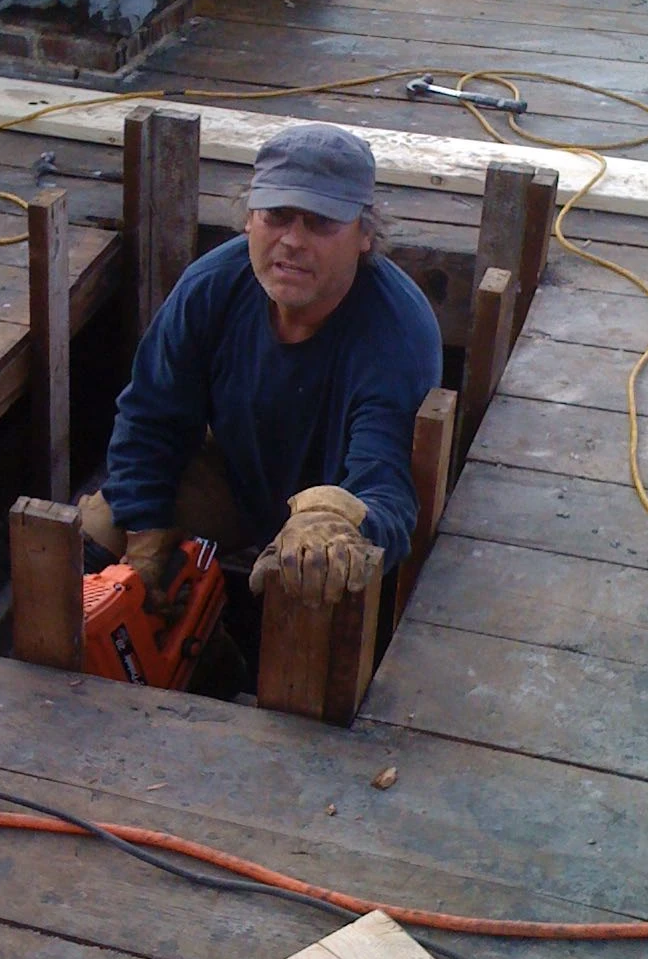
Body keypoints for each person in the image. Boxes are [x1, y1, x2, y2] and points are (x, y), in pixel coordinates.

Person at [80, 121, 443, 610]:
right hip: (235, 474)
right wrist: (146, 540)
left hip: (333, 507)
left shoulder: (398, 335)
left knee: (322, 573)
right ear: (249, 218)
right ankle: (206, 658)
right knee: (102, 530)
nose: (293, 240)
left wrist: (337, 523)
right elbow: (151, 417)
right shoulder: (210, 285)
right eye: (277, 215)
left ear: (364, 233)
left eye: (320, 222)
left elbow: (386, 485)